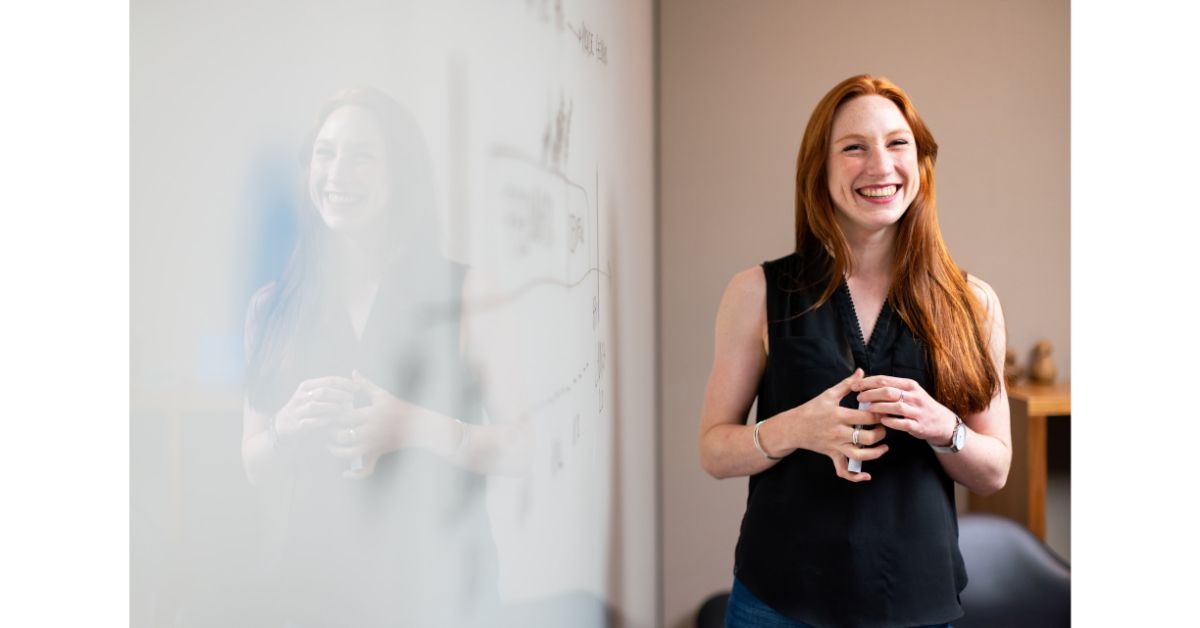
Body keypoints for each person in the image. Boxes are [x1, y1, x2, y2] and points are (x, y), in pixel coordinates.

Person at [698, 75, 1012, 628]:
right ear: (819, 169)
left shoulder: (974, 303)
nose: (880, 166)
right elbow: (714, 450)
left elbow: (994, 470)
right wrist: (795, 429)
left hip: (917, 606)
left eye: (897, 143)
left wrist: (944, 427)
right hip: (778, 604)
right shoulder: (756, 293)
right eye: (854, 148)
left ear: (921, 162)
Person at [241, 87, 527, 627]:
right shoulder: (271, 307)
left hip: (441, 587)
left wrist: (414, 426)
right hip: (314, 588)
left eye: (362, 156)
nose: (337, 172)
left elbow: (525, 448)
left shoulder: (468, 293)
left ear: (401, 176)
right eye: (325, 153)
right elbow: (254, 462)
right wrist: (286, 425)